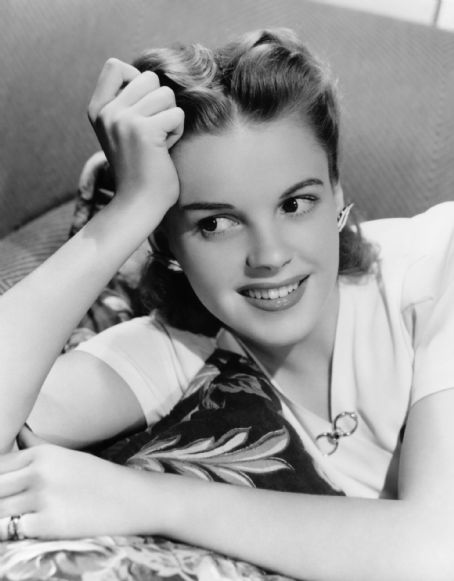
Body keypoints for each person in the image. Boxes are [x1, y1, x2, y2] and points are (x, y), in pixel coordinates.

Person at [0, 27, 454, 581]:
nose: (270, 256)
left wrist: (145, 498)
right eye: (216, 223)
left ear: (337, 191)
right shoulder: (179, 350)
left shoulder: (440, 262)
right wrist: (131, 208)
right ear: (166, 240)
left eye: (296, 204)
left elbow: (441, 549)